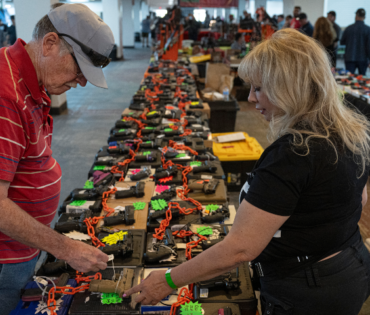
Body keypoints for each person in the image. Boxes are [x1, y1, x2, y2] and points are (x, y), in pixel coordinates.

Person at [124, 28, 370, 315]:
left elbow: (241, 250)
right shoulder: (349, 132)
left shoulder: (293, 154)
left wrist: (166, 280)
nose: (251, 98)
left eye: (259, 88)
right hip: (349, 266)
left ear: (288, 87)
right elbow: (360, 200)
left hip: (307, 290)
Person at [0, 3, 113, 314]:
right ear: (50, 43)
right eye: (78, 69)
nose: (80, 81)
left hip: (14, 247)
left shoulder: (24, 79)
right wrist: (66, 249)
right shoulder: (1, 94)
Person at [341, 8, 370, 75]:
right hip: (363, 59)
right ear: (364, 17)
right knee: (362, 80)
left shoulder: (348, 28)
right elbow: (369, 46)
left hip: (349, 57)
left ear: (356, 16)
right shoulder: (368, 29)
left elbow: (342, 42)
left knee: (349, 78)